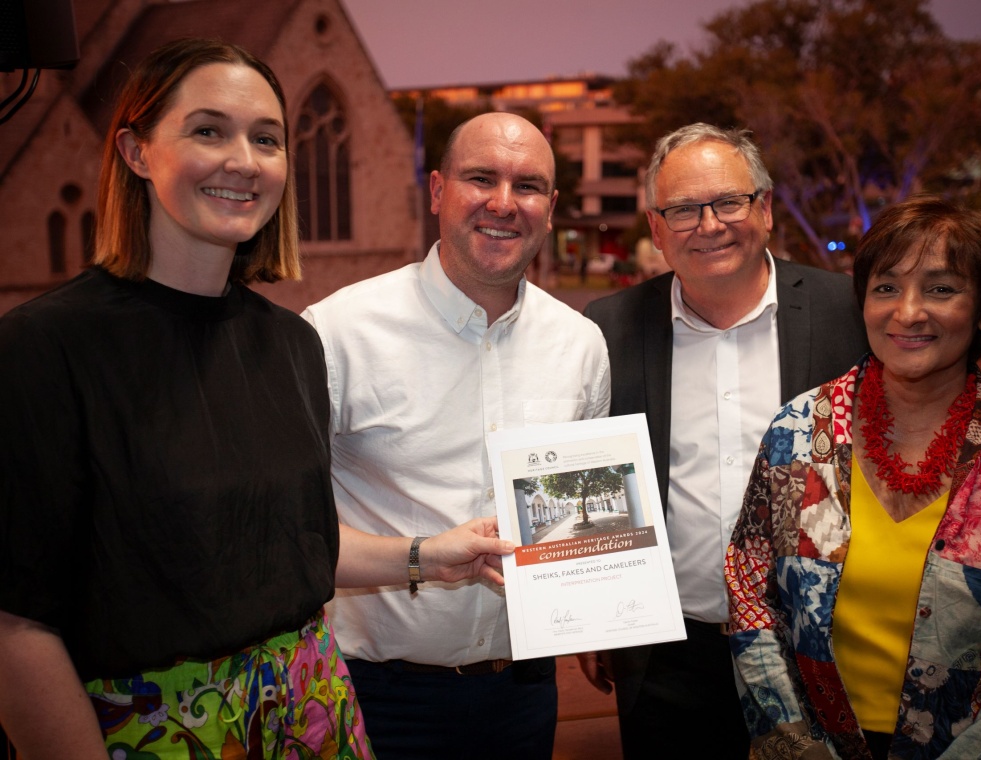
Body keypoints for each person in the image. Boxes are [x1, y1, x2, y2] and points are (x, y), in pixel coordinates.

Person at [0, 38, 513, 759]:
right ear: (136, 151)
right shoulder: (43, 349)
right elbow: (15, 624)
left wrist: (430, 555)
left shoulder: (291, 344)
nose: (243, 160)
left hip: (311, 708)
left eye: (267, 139)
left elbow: (297, 547)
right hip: (158, 728)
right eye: (208, 130)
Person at [725, 196, 981, 758]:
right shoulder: (801, 432)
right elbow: (749, 595)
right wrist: (794, 746)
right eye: (886, 287)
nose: (907, 312)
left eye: (941, 288)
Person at [301, 111, 611, 759]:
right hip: (377, 694)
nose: (503, 203)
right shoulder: (337, 334)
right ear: (439, 192)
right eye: (480, 178)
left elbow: (582, 526)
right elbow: (288, 530)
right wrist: (419, 554)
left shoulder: (581, 345)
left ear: (550, 209)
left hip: (524, 691)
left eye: (527, 186)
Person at [579, 123, 868, 758]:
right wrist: (596, 613)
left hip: (819, 649)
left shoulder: (846, 311)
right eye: (682, 209)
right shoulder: (607, 329)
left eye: (727, 202)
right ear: (657, 230)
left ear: (763, 209)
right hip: (666, 653)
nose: (708, 224)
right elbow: (598, 475)